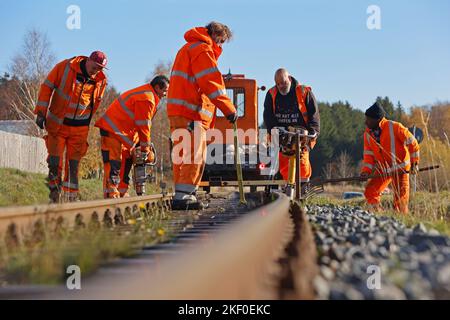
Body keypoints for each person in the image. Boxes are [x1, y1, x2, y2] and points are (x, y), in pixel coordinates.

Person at [167, 21, 237, 210]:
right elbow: (211, 82)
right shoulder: (202, 49)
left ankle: (181, 194)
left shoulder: (187, 48)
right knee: (195, 154)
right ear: (215, 35)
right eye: (221, 41)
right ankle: (184, 197)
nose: (220, 46)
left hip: (178, 111)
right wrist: (229, 108)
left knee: (182, 154)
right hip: (192, 113)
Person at [34, 51, 108, 203]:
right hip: (58, 125)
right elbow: (47, 87)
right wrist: (41, 113)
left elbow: (95, 103)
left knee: (73, 166)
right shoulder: (65, 67)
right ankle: (54, 196)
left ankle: (71, 201)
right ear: (88, 61)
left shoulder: (101, 80)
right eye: (95, 67)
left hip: (79, 129)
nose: (97, 71)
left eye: (100, 69)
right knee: (54, 162)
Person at [95, 75, 169, 198]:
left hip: (122, 133)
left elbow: (138, 124)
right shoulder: (147, 98)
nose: (165, 94)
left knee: (127, 159)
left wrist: (139, 145)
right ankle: (111, 194)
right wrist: (145, 148)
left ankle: (121, 192)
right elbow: (143, 125)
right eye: (165, 90)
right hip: (112, 130)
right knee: (113, 162)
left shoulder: (148, 95)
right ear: (157, 87)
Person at [263, 68, 320, 189]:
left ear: (289, 79)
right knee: (283, 168)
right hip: (282, 138)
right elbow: (268, 117)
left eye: (283, 82)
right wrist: (274, 132)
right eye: (278, 84)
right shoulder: (271, 94)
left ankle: (302, 193)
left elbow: (314, 115)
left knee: (303, 167)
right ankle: (285, 192)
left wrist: (313, 133)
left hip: (301, 139)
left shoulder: (304, 92)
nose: (281, 86)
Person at [360, 102, 420, 213]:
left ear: (377, 119)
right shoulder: (367, 134)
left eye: (368, 119)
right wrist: (366, 172)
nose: (366, 122)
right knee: (370, 192)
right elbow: (368, 156)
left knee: (400, 200)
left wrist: (414, 163)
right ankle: (378, 216)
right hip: (384, 169)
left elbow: (413, 143)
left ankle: (402, 223)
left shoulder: (395, 127)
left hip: (401, 169)